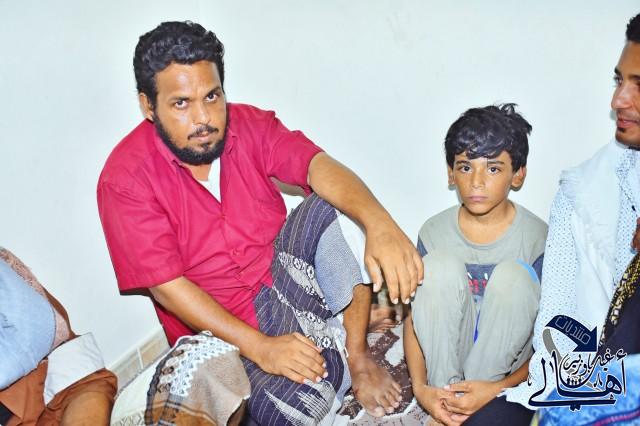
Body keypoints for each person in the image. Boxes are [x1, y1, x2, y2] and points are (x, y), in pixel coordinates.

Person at [97, 21, 423, 424]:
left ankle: (354, 354)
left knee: (333, 206)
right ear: (149, 106)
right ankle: (329, 339)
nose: (203, 118)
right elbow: (167, 288)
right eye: (181, 104)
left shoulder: (248, 124)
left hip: (287, 282)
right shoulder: (124, 179)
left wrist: (380, 224)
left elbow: (316, 164)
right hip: (224, 332)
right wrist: (262, 349)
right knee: (288, 411)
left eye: (212, 96)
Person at [469, 12, 640, 426]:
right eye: (619, 81)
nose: (618, 101)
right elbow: (556, 325)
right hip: (587, 380)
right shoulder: (582, 190)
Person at [403, 104, 548, 425]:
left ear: (518, 174)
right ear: (451, 173)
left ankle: (471, 408)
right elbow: (415, 321)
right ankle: (448, 403)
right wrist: (421, 389)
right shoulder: (433, 232)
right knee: (436, 267)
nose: (477, 182)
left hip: (501, 379)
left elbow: (549, 341)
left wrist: (496, 389)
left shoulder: (539, 239)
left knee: (514, 277)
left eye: (493, 169)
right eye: (466, 167)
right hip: (444, 375)